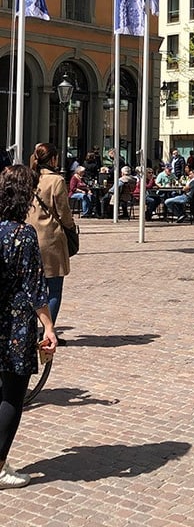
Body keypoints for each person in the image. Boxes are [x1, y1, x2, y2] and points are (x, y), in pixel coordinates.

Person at [0, 165, 57, 489]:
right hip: (15, 327)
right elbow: (36, 288)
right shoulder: (23, 234)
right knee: (12, 396)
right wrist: (49, 327)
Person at [27, 143, 75, 339]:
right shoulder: (56, 180)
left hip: (29, 235)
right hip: (50, 238)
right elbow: (63, 211)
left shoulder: (29, 178)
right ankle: (47, 332)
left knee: (31, 287)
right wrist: (70, 227)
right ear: (53, 159)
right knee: (53, 288)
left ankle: (29, 330)